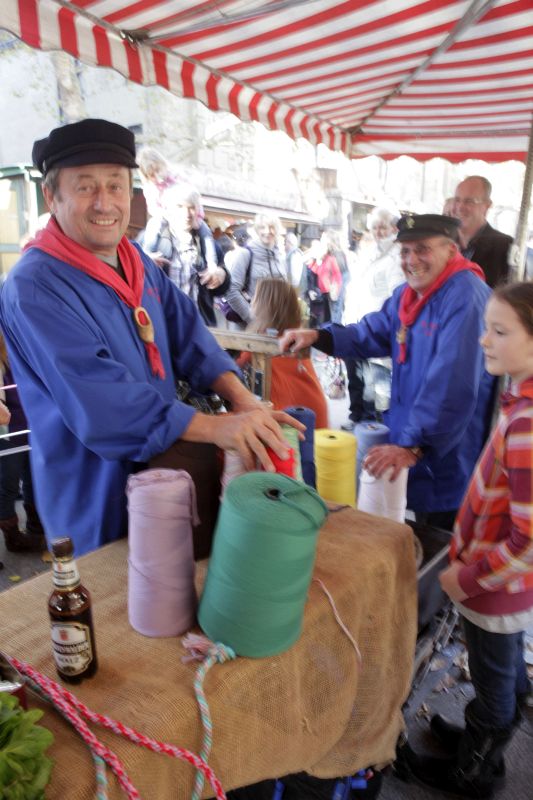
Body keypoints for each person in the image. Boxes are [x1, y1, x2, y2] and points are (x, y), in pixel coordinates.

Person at [0, 118, 302, 556]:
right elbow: (101, 401)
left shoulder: (134, 258)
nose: (104, 202)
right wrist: (216, 427)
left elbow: (187, 333)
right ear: (52, 196)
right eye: (85, 187)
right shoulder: (34, 285)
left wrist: (243, 400)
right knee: (115, 590)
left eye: (116, 186)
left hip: (160, 471)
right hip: (93, 488)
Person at [280, 214, 496, 530]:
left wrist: (414, 446)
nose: (411, 260)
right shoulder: (408, 294)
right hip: (414, 436)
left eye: (422, 249)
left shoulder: (465, 295)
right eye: (405, 251)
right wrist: (319, 336)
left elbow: (452, 384)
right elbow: (373, 332)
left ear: (451, 250)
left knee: (443, 535)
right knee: (405, 524)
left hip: (446, 448)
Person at [403, 281, 533, 798]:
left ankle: (474, 773)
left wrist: (469, 578)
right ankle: (480, 741)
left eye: (500, 331)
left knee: (494, 680)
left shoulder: (527, 424)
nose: (484, 341)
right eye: (486, 328)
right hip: (500, 587)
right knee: (503, 670)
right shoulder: (519, 401)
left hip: (494, 588)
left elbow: (529, 540)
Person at [342, 207, 404, 431]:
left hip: (375, 330)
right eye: (375, 227)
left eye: (383, 227)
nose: (379, 232)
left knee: (376, 383)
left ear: (393, 228)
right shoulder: (369, 253)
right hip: (355, 324)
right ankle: (357, 417)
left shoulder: (396, 256)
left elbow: (396, 296)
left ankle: (372, 426)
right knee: (356, 377)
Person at [238, 278, 328, 428]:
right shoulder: (297, 337)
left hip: (288, 418)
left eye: (255, 297)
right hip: (315, 410)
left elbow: (228, 368)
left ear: (264, 305)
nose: (252, 301)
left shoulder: (257, 342)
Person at [159, 183, 229, 327]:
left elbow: (221, 289)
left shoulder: (209, 245)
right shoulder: (152, 242)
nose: (187, 214)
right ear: (168, 209)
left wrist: (222, 275)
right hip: (162, 327)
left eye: (191, 207)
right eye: (180, 206)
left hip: (198, 328)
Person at [0, 335, 46, 552]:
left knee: (33, 480)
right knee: (7, 486)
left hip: (32, 427)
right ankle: (13, 538)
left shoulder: (24, 348)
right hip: (9, 434)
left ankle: (36, 529)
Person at [225, 213, 286, 327]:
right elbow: (231, 291)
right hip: (247, 325)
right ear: (257, 230)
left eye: (271, 227)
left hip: (275, 323)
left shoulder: (280, 256)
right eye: (262, 227)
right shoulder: (245, 254)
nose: (267, 231)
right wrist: (253, 319)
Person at [452, 175, 513, 288]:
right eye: (457, 200)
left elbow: (514, 294)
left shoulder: (504, 246)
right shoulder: (444, 243)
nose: (460, 207)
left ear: (487, 206)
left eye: (469, 201)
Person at [284, 232, 306, 298]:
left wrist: (291, 291)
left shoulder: (295, 254)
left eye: (285, 243)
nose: (284, 245)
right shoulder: (291, 254)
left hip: (295, 291)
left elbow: (295, 277)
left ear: (289, 243)